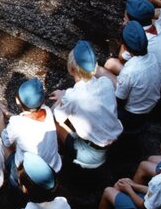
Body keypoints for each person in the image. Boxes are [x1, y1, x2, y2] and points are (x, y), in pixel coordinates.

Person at [49, 41, 122, 170]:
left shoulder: (72, 97)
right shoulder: (105, 82)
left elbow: (59, 117)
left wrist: (62, 99)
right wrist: (65, 94)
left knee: (52, 119)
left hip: (90, 152)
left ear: (71, 69)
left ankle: (60, 158)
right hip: (110, 139)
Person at [0, 79, 62, 178]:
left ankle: (15, 180)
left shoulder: (16, 123)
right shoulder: (47, 110)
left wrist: (1, 117)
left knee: (2, 142)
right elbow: (28, 120)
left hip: (29, 175)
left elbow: (5, 139)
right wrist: (8, 114)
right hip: (54, 167)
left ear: (17, 100)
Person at [101, 21, 161, 125]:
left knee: (99, 72)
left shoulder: (130, 71)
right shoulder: (153, 57)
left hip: (131, 114)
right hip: (150, 104)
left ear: (125, 47)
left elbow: (119, 100)